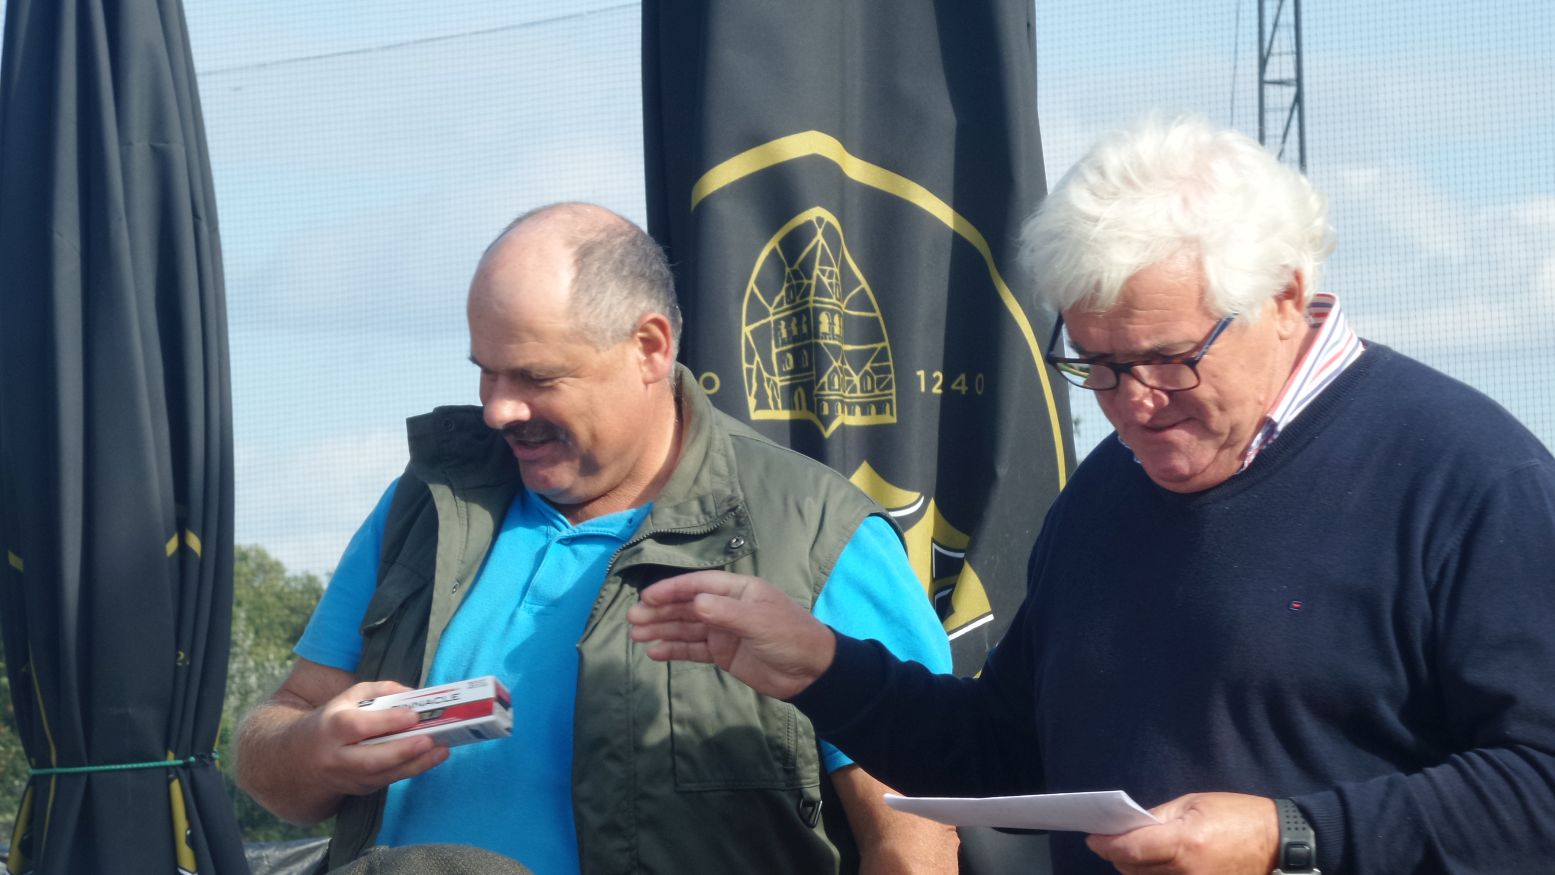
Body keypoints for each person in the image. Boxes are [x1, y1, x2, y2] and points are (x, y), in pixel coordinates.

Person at [628, 116, 1555, 875]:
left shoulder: (1470, 478)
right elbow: (1008, 752)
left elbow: (1539, 789)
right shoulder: (1110, 486)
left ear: (1285, 297)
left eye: (1170, 359)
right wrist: (819, 667)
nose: (1132, 404)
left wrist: (1290, 835)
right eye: (1094, 364)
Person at [235, 203, 959, 874]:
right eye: (486, 373)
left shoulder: (816, 533)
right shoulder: (426, 505)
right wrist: (311, 749)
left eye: (535, 377)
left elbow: (915, 838)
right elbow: (275, 745)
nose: (498, 410)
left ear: (649, 347)